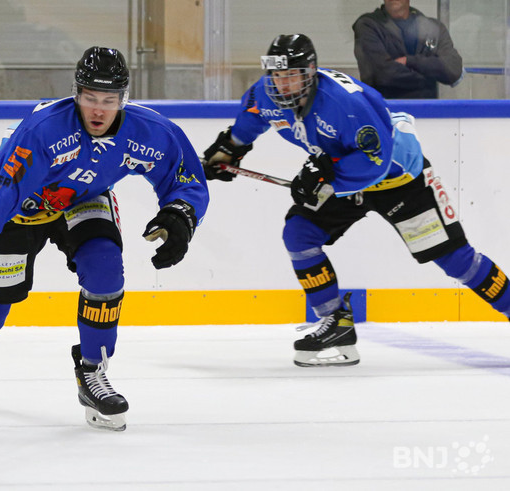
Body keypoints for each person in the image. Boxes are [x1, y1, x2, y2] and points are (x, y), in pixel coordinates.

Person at [0, 47, 208, 431]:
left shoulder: (151, 131)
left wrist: (181, 215)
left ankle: (92, 372)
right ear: (76, 93)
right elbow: (2, 187)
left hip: (84, 199)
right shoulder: (43, 129)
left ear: (124, 98)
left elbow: (184, 178)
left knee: (106, 268)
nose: (98, 110)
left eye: (109, 100)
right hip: (21, 209)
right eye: (90, 98)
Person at [202, 34, 509, 367]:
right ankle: (337, 324)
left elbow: (376, 160)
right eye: (277, 75)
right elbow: (251, 118)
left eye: (291, 75)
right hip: (342, 178)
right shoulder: (265, 94)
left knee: (456, 261)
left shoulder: (347, 104)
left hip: (399, 178)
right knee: (300, 234)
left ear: (311, 71)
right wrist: (231, 147)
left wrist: (324, 175)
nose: (282, 84)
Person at [352, 0, 464, 99]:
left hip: (428, 115)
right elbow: (382, 75)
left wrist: (409, 61)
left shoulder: (433, 27)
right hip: (385, 113)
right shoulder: (369, 25)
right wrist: (431, 75)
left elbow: (454, 70)